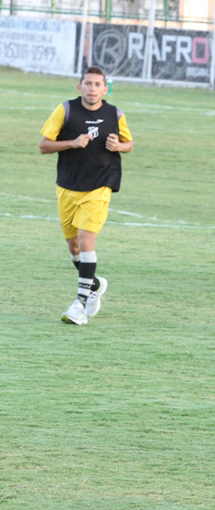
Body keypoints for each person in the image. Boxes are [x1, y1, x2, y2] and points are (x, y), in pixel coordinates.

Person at [38, 66, 134, 325]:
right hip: (68, 186)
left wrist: (119, 146)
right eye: (88, 84)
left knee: (86, 239)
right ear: (79, 87)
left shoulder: (115, 114)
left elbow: (129, 144)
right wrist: (72, 142)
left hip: (100, 185)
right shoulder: (65, 110)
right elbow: (44, 145)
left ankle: (79, 304)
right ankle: (93, 285)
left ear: (105, 89)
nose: (92, 89)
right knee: (74, 247)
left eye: (97, 85)